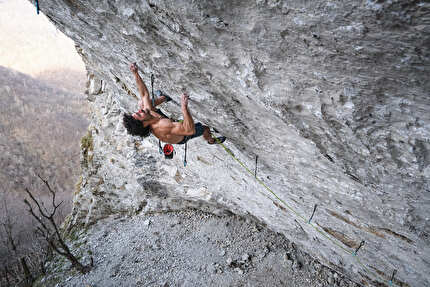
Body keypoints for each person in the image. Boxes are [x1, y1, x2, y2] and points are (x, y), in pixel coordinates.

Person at [123, 63, 225, 145]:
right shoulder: (162, 126)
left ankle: (164, 98)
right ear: (144, 124)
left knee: (142, 103)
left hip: (162, 120)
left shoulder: (147, 114)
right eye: (139, 115)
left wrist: (135, 73)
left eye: (137, 112)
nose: (140, 111)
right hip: (183, 135)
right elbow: (189, 130)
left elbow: (144, 94)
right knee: (205, 129)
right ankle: (211, 140)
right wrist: (184, 107)